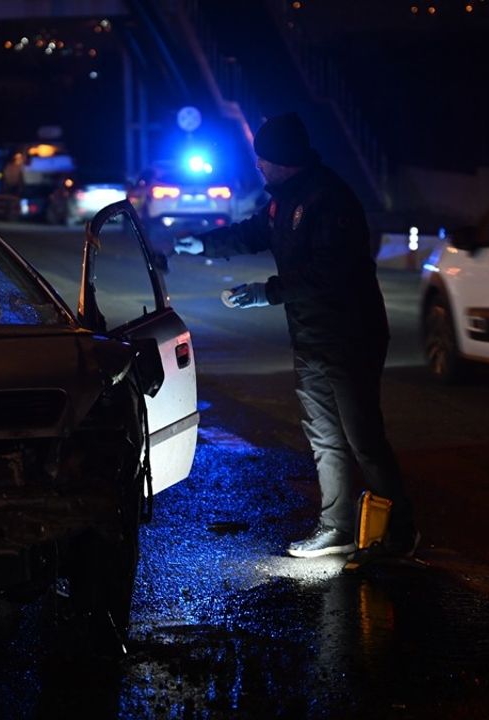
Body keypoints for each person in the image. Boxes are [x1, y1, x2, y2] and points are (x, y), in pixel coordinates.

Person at [175, 113, 418, 559]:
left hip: (350, 335)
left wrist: (263, 293)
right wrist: (204, 244)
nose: (259, 168)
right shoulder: (282, 200)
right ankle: (336, 527)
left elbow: (328, 276)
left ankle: (399, 531)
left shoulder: (330, 200)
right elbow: (254, 232)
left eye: (263, 160)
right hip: (310, 337)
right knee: (323, 435)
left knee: (363, 437)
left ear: (284, 160)